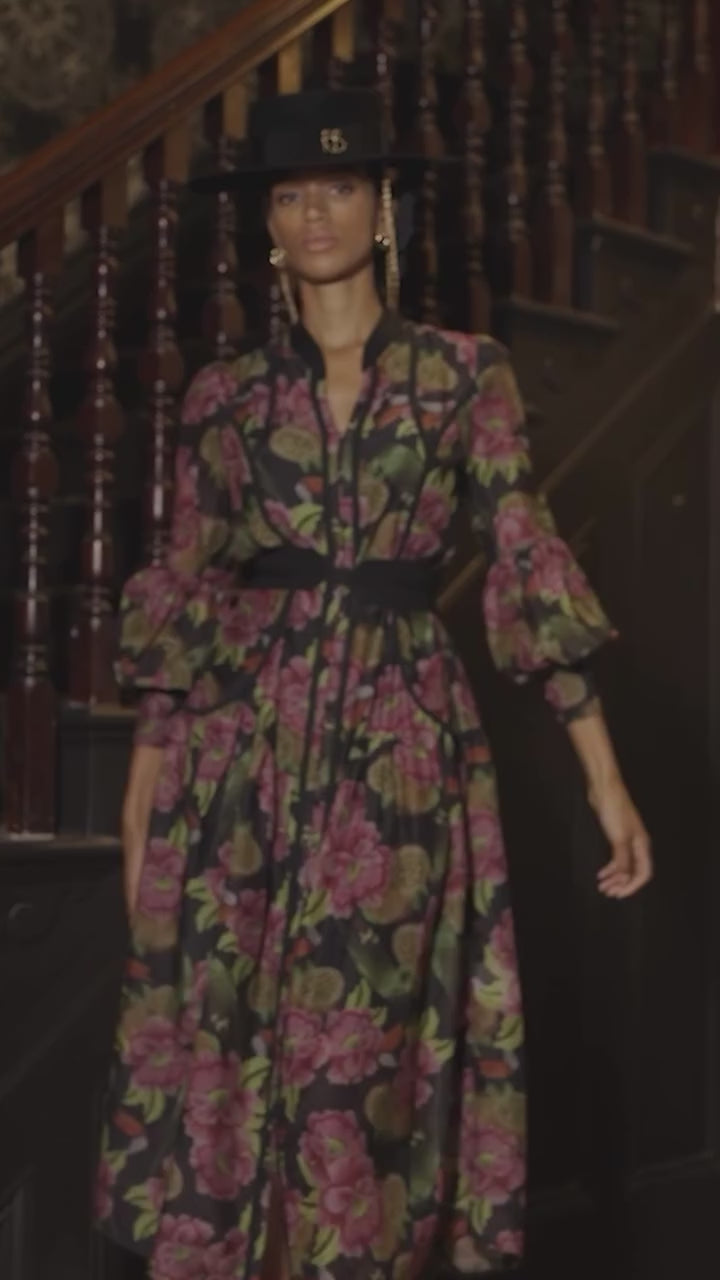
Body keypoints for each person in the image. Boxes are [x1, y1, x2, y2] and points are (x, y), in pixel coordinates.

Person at [95, 88, 652, 1280]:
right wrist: (145, 781)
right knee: (232, 1040)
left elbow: (523, 549)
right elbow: (187, 584)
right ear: (267, 225)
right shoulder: (224, 395)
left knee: (366, 1059)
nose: (316, 214)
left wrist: (604, 775)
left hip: (400, 748)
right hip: (241, 753)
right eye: (292, 194)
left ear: (383, 206)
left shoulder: (465, 373)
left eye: (340, 188)